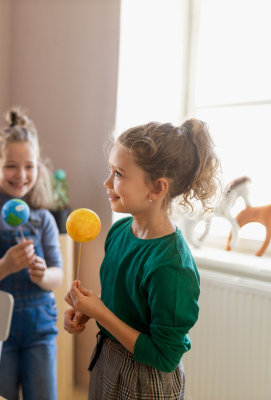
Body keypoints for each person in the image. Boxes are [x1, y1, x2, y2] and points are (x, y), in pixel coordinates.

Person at [64, 119, 221, 399]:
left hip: (145, 381)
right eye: (110, 170)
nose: (107, 182)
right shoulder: (119, 232)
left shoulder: (172, 267)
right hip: (107, 359)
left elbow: (165, 356)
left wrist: (100, 312)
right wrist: (90, 308)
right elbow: (124, 302)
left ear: (158, 189)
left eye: (119, 174)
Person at [0, 108, 63, 400]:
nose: (21, 175)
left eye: (29, 166)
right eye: (11, 166)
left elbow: (57, 275)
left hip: (40, 328)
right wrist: (5, 266)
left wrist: (44, 275)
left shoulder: (43, 219)